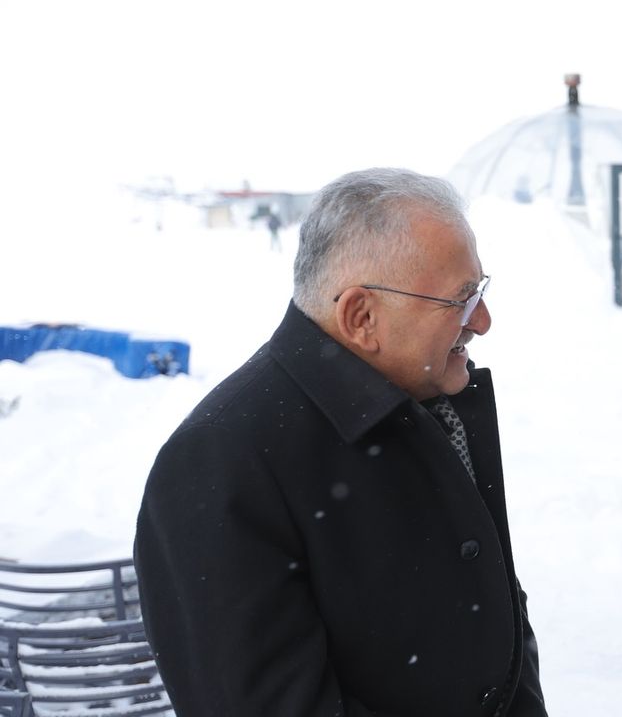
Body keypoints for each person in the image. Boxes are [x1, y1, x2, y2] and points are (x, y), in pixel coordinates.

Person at [135, 168, 548, 717]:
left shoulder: (424, 403)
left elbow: (496, 620)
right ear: (361, 316)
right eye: (461, 300)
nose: (484, 321)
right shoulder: (218, 463)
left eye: (480, 291)